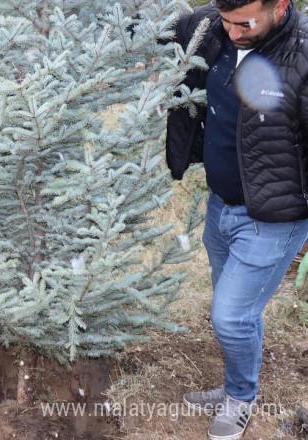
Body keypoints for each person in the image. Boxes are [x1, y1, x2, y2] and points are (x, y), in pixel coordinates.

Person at [166, 1, 308, 439]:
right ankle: (236, 386)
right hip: (221, 206)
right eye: (225, 21)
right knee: (240, 312)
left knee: (230, 317)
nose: (232, 32)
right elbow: (157, 27)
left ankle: (240, 401)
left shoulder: (302, 56)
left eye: (244, 23)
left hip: (274, 218)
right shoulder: (212, 25)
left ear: (280, 5)